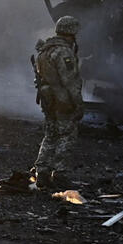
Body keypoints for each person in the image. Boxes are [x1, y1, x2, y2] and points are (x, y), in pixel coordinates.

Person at [32, 15, 84, 190]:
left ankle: (42, 172)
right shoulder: (63, 52)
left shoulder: (45, 50)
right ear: (72, 32)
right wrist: (78, 103)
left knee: (50, 134)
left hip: (48, 99)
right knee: (67, 135)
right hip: (62, 100)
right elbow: (70, 81)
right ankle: (60, 174)